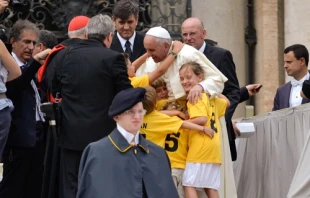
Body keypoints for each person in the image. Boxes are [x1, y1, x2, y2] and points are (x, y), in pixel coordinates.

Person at [51, 14, 132, 198]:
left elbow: (54, 86)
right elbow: (125, 95)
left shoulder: (64, 56)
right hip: (104, 137)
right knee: (101, 185)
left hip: (70, 134)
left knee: (72, 186)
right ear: (110, 36)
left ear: (87, 34)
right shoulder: (113, 58)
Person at [77, 87, 179, 198]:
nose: (137, 117)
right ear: (116, 116)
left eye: (140, 111)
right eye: (130, 112)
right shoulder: (97, 152)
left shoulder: (158, 154)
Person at [0, 19, 51, 198]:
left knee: (34, 188)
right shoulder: (7, 67)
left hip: (37, 136)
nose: (30, 47)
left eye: (33, 43)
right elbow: (15, 86)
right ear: (12, 42)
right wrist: (36, 61)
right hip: (17, 140)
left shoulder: (30, 68)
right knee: (12, 188)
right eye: (26, 42)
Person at [181, 17, 240, 161]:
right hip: (189, 132)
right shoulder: (179, 56)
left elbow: (233, 92)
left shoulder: (221, 55)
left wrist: (221, 118)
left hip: (217, 130)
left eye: (193, 34)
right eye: (185, 35)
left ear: (203, 33)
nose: (188, 38)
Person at [140, 86, 214, 198]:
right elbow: (184, 124)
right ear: (155, 104)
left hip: (143, 164)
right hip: (169, 165)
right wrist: (203, 128)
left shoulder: (134, 119)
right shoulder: (163, 120)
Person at [136, 26, 227, 104]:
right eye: (146, 50)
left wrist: (200, 86)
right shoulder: (150, 61)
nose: (148, 54)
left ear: (166, 46)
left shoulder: (188, 54)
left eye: (152, 50)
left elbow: (217, 80)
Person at [179, 62, 229, 198]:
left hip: (200, 146)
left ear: (200, 77)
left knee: (189, 183)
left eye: (189, 77)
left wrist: (180, 123)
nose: (184, 82)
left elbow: (201, 119)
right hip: (214, 148)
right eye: (181, 79)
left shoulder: (194, 97)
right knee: (210, 187)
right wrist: (211, 89)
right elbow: (227, 102)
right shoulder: (211, 97)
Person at [273, 44, 310, 111]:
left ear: (302, 61)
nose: (285, 66)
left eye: (289, 62)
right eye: (285, 62)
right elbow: (275, 119)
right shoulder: (281, 91)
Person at [32, 30, 58, 102]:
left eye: (33, 43)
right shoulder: (60, 65)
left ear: (40, 46)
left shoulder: (38, 71)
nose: (30, 47)